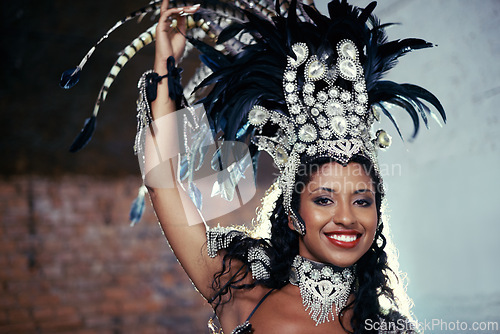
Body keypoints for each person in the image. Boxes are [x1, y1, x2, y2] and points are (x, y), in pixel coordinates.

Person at [63, 0, 445, 332]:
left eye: (362, 200)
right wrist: (167, 69)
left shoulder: (389, 329)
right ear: (294, 213)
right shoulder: (241, 290)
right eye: (324, 200)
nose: (347, 217)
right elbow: (164, 184)